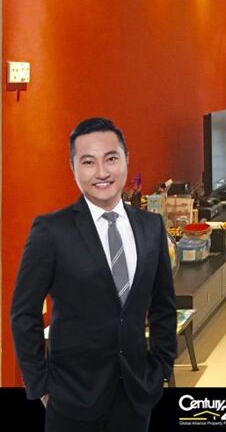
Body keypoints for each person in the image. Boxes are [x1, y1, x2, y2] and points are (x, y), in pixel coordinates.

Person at [11, 117, 176, 432]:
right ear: (73, 167)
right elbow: (23, 313)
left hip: (135, 396)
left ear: (126, 159)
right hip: (71, 399)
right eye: (88, 162)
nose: (102, 172)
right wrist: (40, 384)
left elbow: (164, 305)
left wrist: (161, 368)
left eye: (111, 158)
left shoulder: (151, 226)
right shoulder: (51, 231)